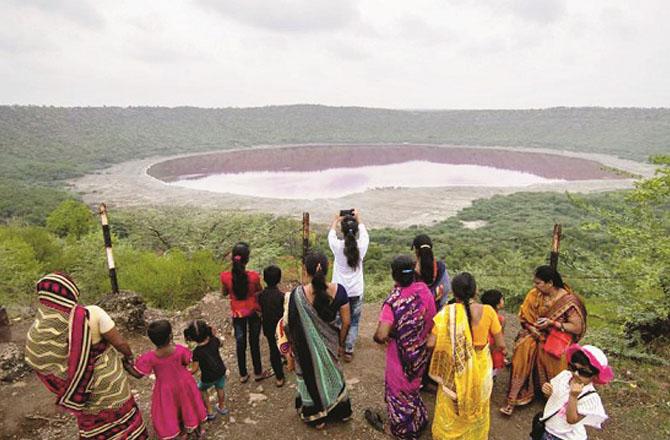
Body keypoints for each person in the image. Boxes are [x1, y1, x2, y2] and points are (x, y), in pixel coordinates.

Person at [24, 273, 148, 439]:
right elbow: (120, 344)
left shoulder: (39, 329)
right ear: (71, 292)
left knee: (92, 419)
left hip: (80, 391)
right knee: (120, 409)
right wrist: (128, 356)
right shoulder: (91, 313)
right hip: (107, 382)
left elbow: (42, 364)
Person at [276, 251, 353, 429]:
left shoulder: (295, 295)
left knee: (309, 376)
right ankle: (341, 412)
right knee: (333, 375)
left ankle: (317, 417)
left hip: (305, 350)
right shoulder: (339, 291)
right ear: (327, 268)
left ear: (306, 270)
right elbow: (347, 322)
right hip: (332, 344)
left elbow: (287, 325)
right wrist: (340, 344)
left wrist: (291, 350)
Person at [427, 272, 506, 440]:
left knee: (451, 404)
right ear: (475, 290)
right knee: (478, 403)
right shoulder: (489, 311)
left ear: (454, 293)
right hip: (482, 368)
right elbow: (501, 345)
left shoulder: (447, 313)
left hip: (456, 366)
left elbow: (430, 344)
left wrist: (451, 346)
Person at [501, 265, 587, 416]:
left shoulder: (568, 300)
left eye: (538, 283)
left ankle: (556, 399)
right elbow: (525, 317)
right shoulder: (535, 294)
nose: (535, 286)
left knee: (554, 357)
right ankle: (513, 398)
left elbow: (576, 327)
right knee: (523, 348)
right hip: (534, 333)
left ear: (550, 283)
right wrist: (530, 327)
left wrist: (553, 324)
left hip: (555, 337)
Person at [367, 255, 437, 439]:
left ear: (394, 276)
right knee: (413, 387)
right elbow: (432, 319)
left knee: (398, 391)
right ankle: (418, 419)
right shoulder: (424, 290)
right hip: (420, 352)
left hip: (400, 356)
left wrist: (378, 337)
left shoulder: (394, 301)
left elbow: (382, 334)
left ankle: (403, 431)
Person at [132, 320, 207, 439]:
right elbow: (187, 361)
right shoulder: (180, 350)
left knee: (171, 409)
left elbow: (138, 374)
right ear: (171, 336)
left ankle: (180, 430)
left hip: (165, 387)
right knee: (188, 404)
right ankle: (196, 429)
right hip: (184, 383)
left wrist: (126, 366)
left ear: (152, 340)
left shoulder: (150, 357)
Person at [220, 242, 272, 383]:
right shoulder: (253, 277)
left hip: (237, 313)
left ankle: (243, 374)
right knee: (254, 342)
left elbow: (224, 292)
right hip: (253, 311)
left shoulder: (225, 277)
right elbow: (259, 291)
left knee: (240, 342)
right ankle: (258, 372)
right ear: (247, 259)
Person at [535, 344, 612, 440]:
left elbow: (572, 420)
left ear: (595, 376)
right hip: (549, 428)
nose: (576, 374)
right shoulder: (564, 376)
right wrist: (548, 392)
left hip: (566, 437)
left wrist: (573, 396)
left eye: (583, 372)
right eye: (573, 368)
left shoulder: (590, 397)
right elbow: (554, 399)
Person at [328, 208, 369, 362]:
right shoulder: (361, 246)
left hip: (339, 291)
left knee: (338, 320)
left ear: (342, 231)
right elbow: (364, 233)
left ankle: (337, 345)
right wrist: (358, 219)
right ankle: (348, 350)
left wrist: (336, 220)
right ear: (356, 230)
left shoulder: (337, 247)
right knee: (354, 321)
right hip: (356, 291)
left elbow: (331, 234)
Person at [183, 320, 229, 420]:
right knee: (220, 388)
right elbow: (221, 344)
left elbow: (195, 369)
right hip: (221, 371)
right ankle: (222, 406)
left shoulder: (197, 352)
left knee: (201, 389)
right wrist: (213, 334)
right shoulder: (214, 340)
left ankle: (209, 410)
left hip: (208, 377)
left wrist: (185, 372)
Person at [257, 265, 286, 387]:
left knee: (273, 348)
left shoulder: (260, 295)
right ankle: (286, 360)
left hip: (268, 326)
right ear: (279, 279)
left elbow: (260, 310)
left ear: (264, 279)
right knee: (284, 343)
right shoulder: (281, 296)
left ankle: (279, 377)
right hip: (280, 326)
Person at [412, 234, 451, 310]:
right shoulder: (441, 267)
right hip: (438, 313)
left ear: (416, 251)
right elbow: (446, 288)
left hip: (417, 314)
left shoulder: (411, 269)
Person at [480, 289, 507, 377]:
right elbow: (500, 337)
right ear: (498, 305)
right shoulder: (500, 319)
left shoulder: (480, 315)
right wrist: (503, 350)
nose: (503, 300)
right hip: (494, 347)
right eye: (502, 299)